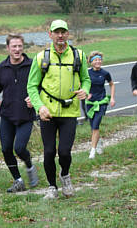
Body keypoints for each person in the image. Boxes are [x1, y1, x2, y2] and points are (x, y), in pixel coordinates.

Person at [27, 19, 91, 199]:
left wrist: (85, 90)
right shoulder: (41, 58)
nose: (60, 35)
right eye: (57, 32)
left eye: (63, 32)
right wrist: (39, 107)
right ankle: (52, 187)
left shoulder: (78, 55)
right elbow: (32, 86)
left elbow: (86, 79)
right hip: (48, 112)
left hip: (69, 111)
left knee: (64, 151)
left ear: (68, 34)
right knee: (48, 152)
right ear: (50, 34)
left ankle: (65, 175)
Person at [0, 34, 39, 193]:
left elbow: (43, 86)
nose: (17, 49)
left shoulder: (32, 66)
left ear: (23, 47)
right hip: (7, 116)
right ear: (8, 48)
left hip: (26, 115)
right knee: (6, 149)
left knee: (20, 148)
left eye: (19, 46)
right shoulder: (2, 68)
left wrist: (35, 98)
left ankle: (30, 166)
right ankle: (18, 181)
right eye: (13, 46)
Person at [86, 51, 115, 159]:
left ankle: (92, 151)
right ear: (91, 62)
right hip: (90, 103)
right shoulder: (87, 73)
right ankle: (99, 142)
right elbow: (80, 84)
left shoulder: (105, 73)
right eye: (95, 60)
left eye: (99, 60)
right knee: (92, 126)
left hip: (101, 102)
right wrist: (86, 93)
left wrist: (112, 98)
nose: (98, 61)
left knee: (95, 126)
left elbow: (112, 84)